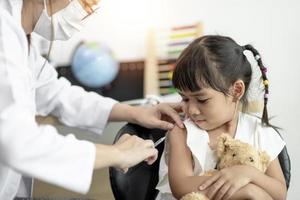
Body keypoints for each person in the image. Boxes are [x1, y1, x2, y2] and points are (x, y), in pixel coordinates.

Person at [0, 0, 184, 199]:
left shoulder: (19, 36)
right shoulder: (4, 36)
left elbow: (55, 93)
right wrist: (117, 154)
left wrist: (135, 112)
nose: (87, 11)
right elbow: (18, 143)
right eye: (84, 1)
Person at [155, 35, 287, 200]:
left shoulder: (258, 131)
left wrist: (249, 174)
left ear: (236, 91)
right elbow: (181, 186)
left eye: (202, 100)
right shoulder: (182, 132)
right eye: (185, 99)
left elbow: (280, 193)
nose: (192, 110)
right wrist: (249, 192)